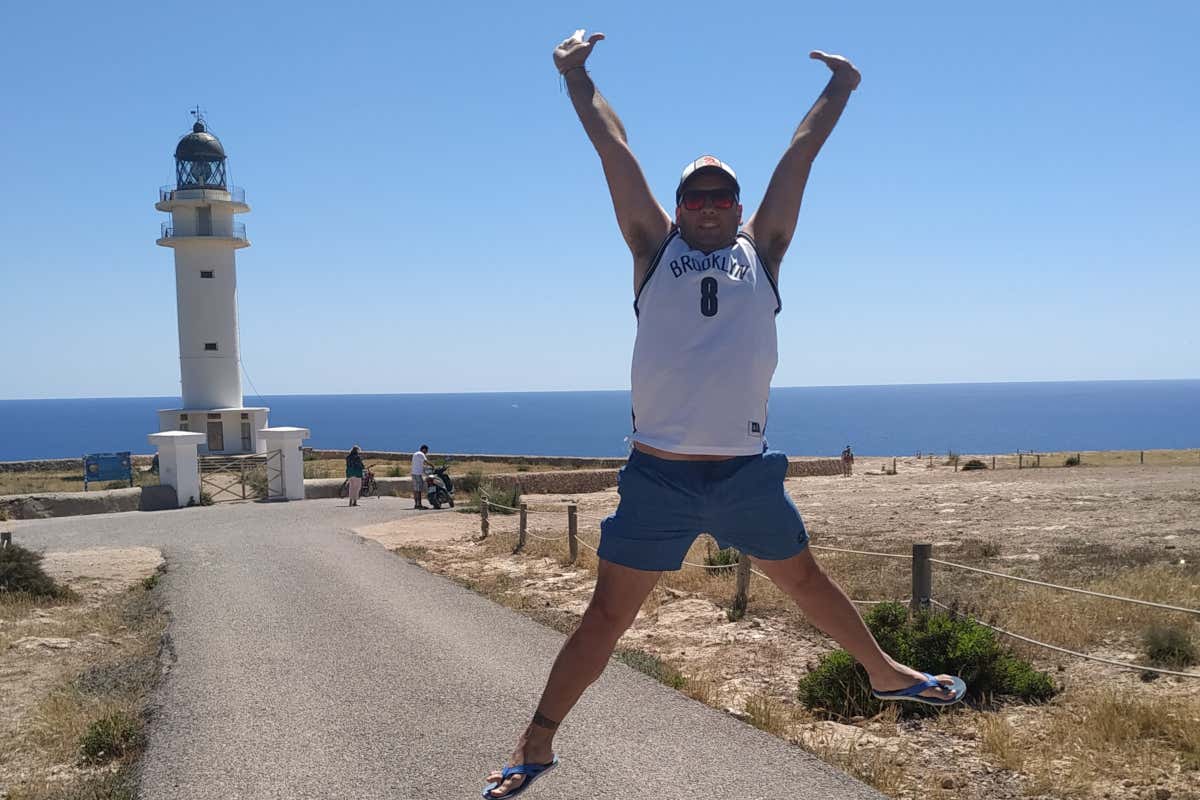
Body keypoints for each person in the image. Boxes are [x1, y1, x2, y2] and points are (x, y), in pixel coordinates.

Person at [481, 30, 966, 800]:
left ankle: (883, 675)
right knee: (605, 619)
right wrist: (577, 77)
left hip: (744, 475)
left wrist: (839, 90)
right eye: (695, 196)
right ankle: (536, 741)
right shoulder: (652, 249)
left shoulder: (762, 253)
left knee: (805, 579)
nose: (708, 205)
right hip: (658, 479)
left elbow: (797, 159)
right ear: (678, 208)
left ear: (737, 206)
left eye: (721, 195)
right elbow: (615, 150)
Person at [411, 444, 430, 510]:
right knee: (419, 490)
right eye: (426, 451)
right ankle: (419, 505)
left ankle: (416, 504)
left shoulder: (415, 453)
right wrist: (433, 466)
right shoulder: (421, 454)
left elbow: (419, 464)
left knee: (415, 490)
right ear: (424, 449)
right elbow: (426, 462)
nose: (427, 452)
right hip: (418, 474)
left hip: (413, 473)